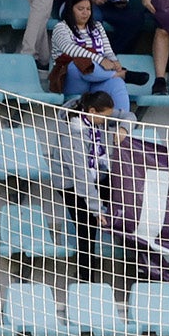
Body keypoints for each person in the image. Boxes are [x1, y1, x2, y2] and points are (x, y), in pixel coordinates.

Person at [56, 90, 119, 280]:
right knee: (87, 229)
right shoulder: (73, 137)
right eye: (104, 117)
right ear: (92, 111)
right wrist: (96, 209)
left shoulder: (93, 119)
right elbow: (80, 176)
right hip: (72, 184)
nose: (107, 121)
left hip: (96, 175)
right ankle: (87, 279)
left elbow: (126, 115)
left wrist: (123, 128)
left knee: (125, 196)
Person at [49, 0, 136, 117]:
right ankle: (117, 74)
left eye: (88, 9)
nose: (85, 13)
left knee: (117, 82)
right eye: (80, 9)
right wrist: (100, 60)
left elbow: (107, 50)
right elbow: (71, 50)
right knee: (77, 64)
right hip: (72, 80)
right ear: (70, 10)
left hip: (98, 78)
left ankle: (121, 123)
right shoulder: (61, 28)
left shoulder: (97, 26)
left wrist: (114, 60)